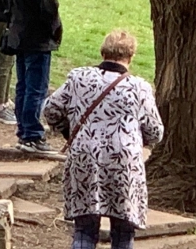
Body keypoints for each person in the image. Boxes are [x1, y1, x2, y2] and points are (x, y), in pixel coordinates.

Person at [43, 30, 163, 249]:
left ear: (103, 51)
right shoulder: (140, 87)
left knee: (84, 230)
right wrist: (137, 139)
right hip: (124, 163)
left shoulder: (78, 77)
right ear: (131, 56)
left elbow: (50, 109)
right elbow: (155, 131)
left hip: (84, 159)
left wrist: (69, 132)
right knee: (124, 232)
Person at [3, 0, 61, 152]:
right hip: (37, 39)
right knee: (36, 89)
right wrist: (55, 31)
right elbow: (49, 9)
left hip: (19, 37)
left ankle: (24, 131)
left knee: (23, 86)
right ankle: (33, 135)